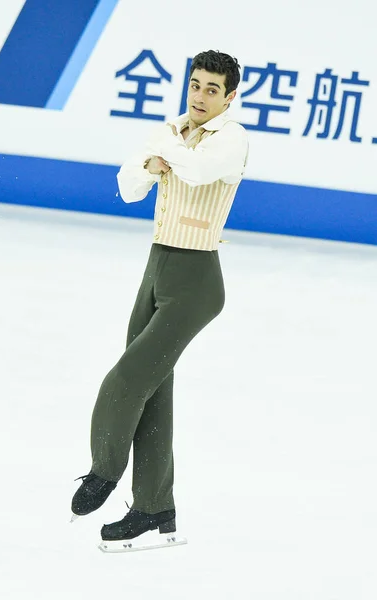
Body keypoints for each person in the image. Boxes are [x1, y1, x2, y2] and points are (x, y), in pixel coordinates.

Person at [71, 49, 249, 546]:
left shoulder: (231, 140)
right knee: (155, 395)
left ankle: (104, 470)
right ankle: (156, 507)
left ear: (229, 97)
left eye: (212, 89)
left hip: (195, 280)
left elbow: (194, 172)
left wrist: (162, 156)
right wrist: (157, 159)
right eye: (195, 85)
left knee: (126, 379)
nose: (200, 95)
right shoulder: (172, 131)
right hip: (156, 271)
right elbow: (128, 186)